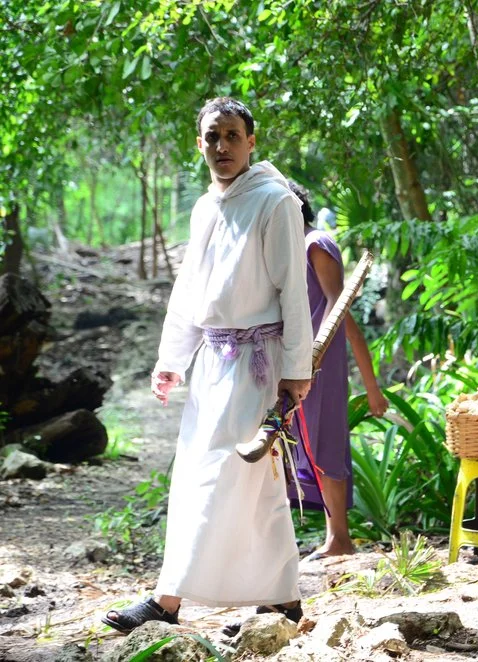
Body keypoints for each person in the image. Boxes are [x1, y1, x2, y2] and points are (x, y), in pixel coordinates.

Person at [102, 97, 312, 633]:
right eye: (213, 137)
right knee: (223, 478)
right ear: (200, 144)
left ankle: (167, 600)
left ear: (251, 142)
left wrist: (296, 369)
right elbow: (190, 290)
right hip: (213, 365)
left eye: (232, 136)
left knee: (224, 476)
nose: (222, 147)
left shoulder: (275, 202)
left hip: (258, 363)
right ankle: (282, 597)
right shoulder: (204, 207)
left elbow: (294, 292)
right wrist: (172, 359)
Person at [285, 180, 388, 558]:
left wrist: (371, 386)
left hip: (319, 362)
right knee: (305, 444)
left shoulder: (316, 244)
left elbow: (340, 310)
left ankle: (340, 538)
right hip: (296, 360)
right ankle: (335, 537)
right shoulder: (290, 249)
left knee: (325, 442)